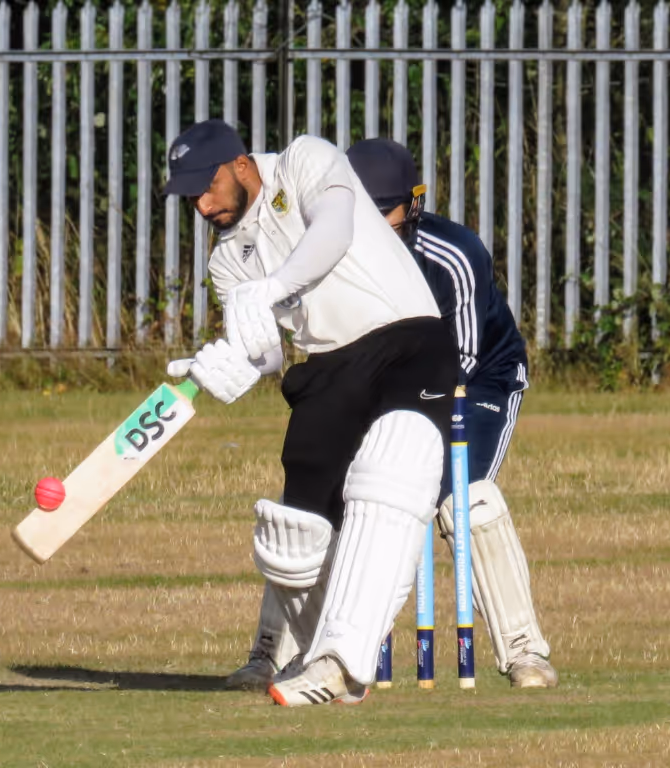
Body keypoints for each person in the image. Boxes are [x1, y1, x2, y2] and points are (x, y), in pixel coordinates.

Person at [163, 119, 460, 706]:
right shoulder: (228, 261)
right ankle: (323, 659)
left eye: (209, 185)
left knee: (390, 473)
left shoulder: (304, 161)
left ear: (242, 166)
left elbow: (334, 231)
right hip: (326, 367)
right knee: (292, 537)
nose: (202, 203)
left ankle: (340, 660)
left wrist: (272, 286)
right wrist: (226, 368)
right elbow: (267, 350)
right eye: (190, 194)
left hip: (406, 337)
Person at [344, 137, 558, 688]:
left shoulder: (455, 254)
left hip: (480, 378)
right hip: (379, 383)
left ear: (414, 204)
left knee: (461, 498)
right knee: (343, 495)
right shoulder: (336, 249)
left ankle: (523, 651)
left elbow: (458, 363)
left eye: (384, 211)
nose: (371, 225)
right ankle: (310, 653)